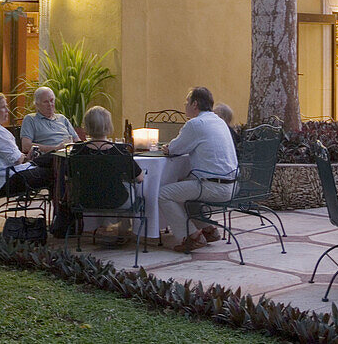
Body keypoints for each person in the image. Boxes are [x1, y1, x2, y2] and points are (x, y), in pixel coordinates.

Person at [159, 87, 238, 253]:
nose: (185, 106)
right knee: (183, 186)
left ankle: (191, 237)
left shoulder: (195, 124)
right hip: (231, 185)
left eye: (186, 102)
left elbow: (174, 148)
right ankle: (208, 229)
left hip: (213, 186)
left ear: (194, 104)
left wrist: (168, 148)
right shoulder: (219, 121)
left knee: (164, 194)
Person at [69, 106, 144, 242]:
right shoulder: (119, 151)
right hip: (116, 200)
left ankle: (108, 229)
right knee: (129, 188)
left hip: (86, 200)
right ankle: (121, 230)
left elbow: (68, 177)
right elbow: (139, 178)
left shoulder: (77, 150)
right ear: (108, 125)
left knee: (102, 188)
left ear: (87, 126)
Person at [0, 92, 53, 198]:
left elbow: (17, 159)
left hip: (8, 175)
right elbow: (18, 159)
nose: (7, 111)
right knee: (55, 171)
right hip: (8, 180)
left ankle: (64, 211)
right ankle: (65, 210)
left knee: (54, 157)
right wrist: (26, 157)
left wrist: (26, 157)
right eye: (3, 108)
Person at [20, 86, 79, 154]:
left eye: (52, 100)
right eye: (45, 102)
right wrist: (55, 149)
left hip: (68, 155)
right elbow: (26, 146)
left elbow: (77, 141)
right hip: (49, 159)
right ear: (37, 104)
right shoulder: (30, 119)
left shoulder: (62, 118)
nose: (50, 104)